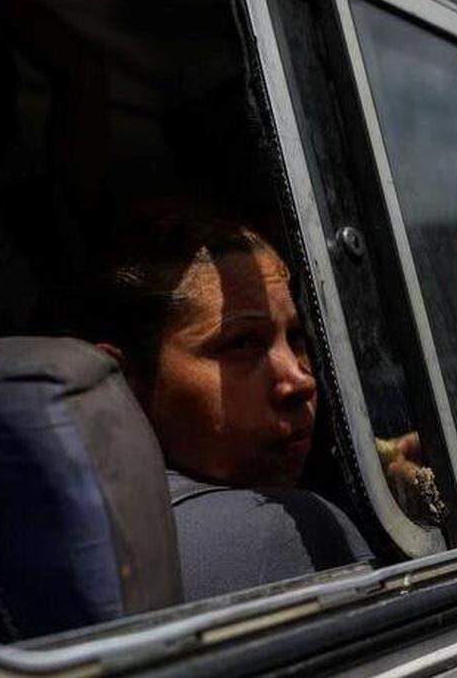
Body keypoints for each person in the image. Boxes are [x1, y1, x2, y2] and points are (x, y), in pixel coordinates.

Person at [81, 214, 374, 600]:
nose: (300, 381)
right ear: (124, 383)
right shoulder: (281, 532)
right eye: (241, 344)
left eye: (296, 337)